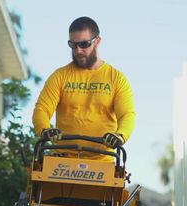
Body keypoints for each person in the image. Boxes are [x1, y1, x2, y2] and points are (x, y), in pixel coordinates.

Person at [32, 16, 136, 160]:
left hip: (103, 163)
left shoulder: (116, 78)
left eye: (84, 44)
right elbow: (42, 109)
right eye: (73, 45)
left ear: (97, 41)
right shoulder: (60, 76)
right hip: (62, 161)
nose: (78, 50)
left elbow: (127, 114)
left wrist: (120, 135)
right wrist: (46, 129)